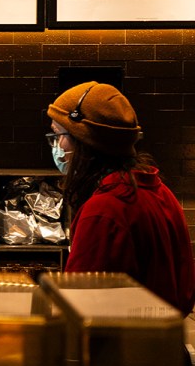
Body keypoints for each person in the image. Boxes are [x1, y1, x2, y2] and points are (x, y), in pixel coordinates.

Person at [47, 80, 195, 314]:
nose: (55, 146)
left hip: (123, 347)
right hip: (162, 341)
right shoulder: (158, 192)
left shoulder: (104, 211)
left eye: (58, 135)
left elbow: (79, 306)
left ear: (83, 141)